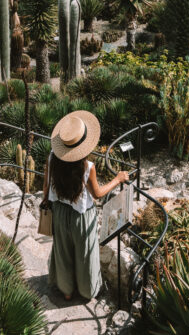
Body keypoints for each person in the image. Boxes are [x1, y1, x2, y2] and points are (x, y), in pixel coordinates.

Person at [42, 111, 128, 302]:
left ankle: (66, 291)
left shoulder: (51, 158)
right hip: (81, 217)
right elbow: (97, 194)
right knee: (85, 254)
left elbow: (46, 187)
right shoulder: (87, 167)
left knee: (62, 251)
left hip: (59, 212)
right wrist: (118, 178)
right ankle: (87, 291)